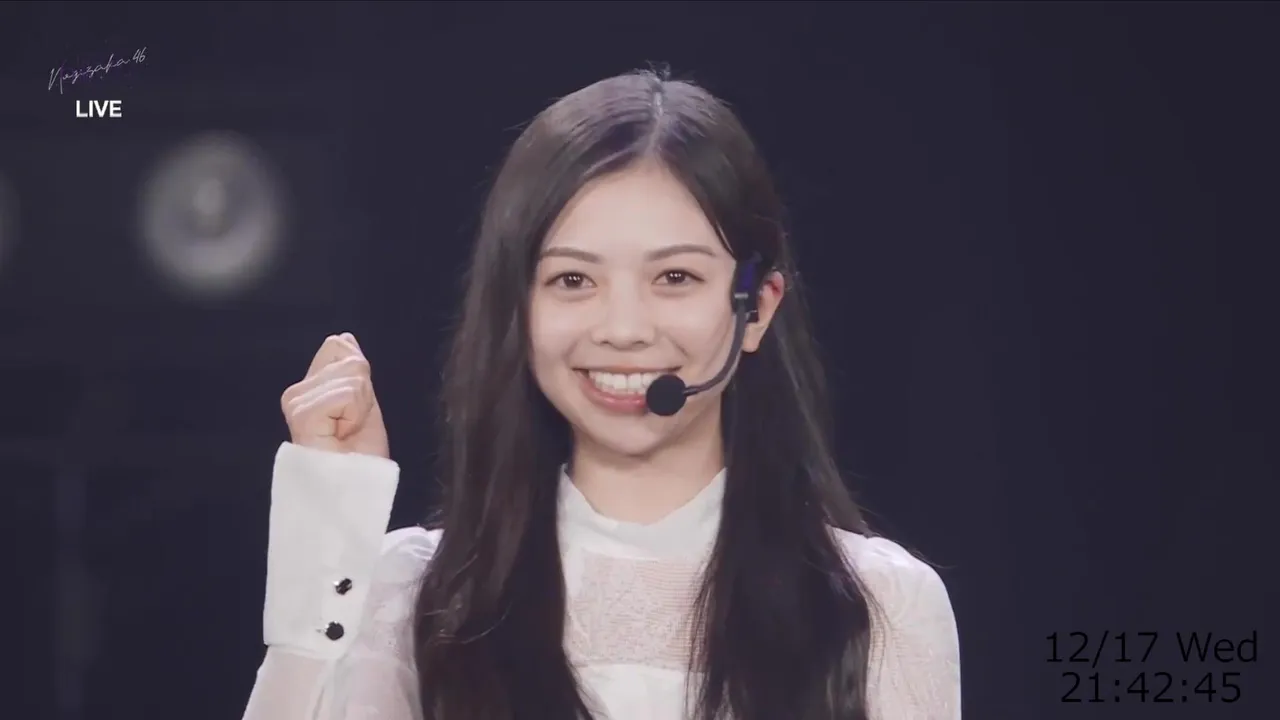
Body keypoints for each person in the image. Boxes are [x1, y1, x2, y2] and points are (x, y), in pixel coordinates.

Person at [240, 68, 960, 720]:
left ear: (757, 308)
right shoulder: (416, 595)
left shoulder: (877, 607)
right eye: (573, 280)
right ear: (518, 307)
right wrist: (335, 516)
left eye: (674, 278)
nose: (623, 329)